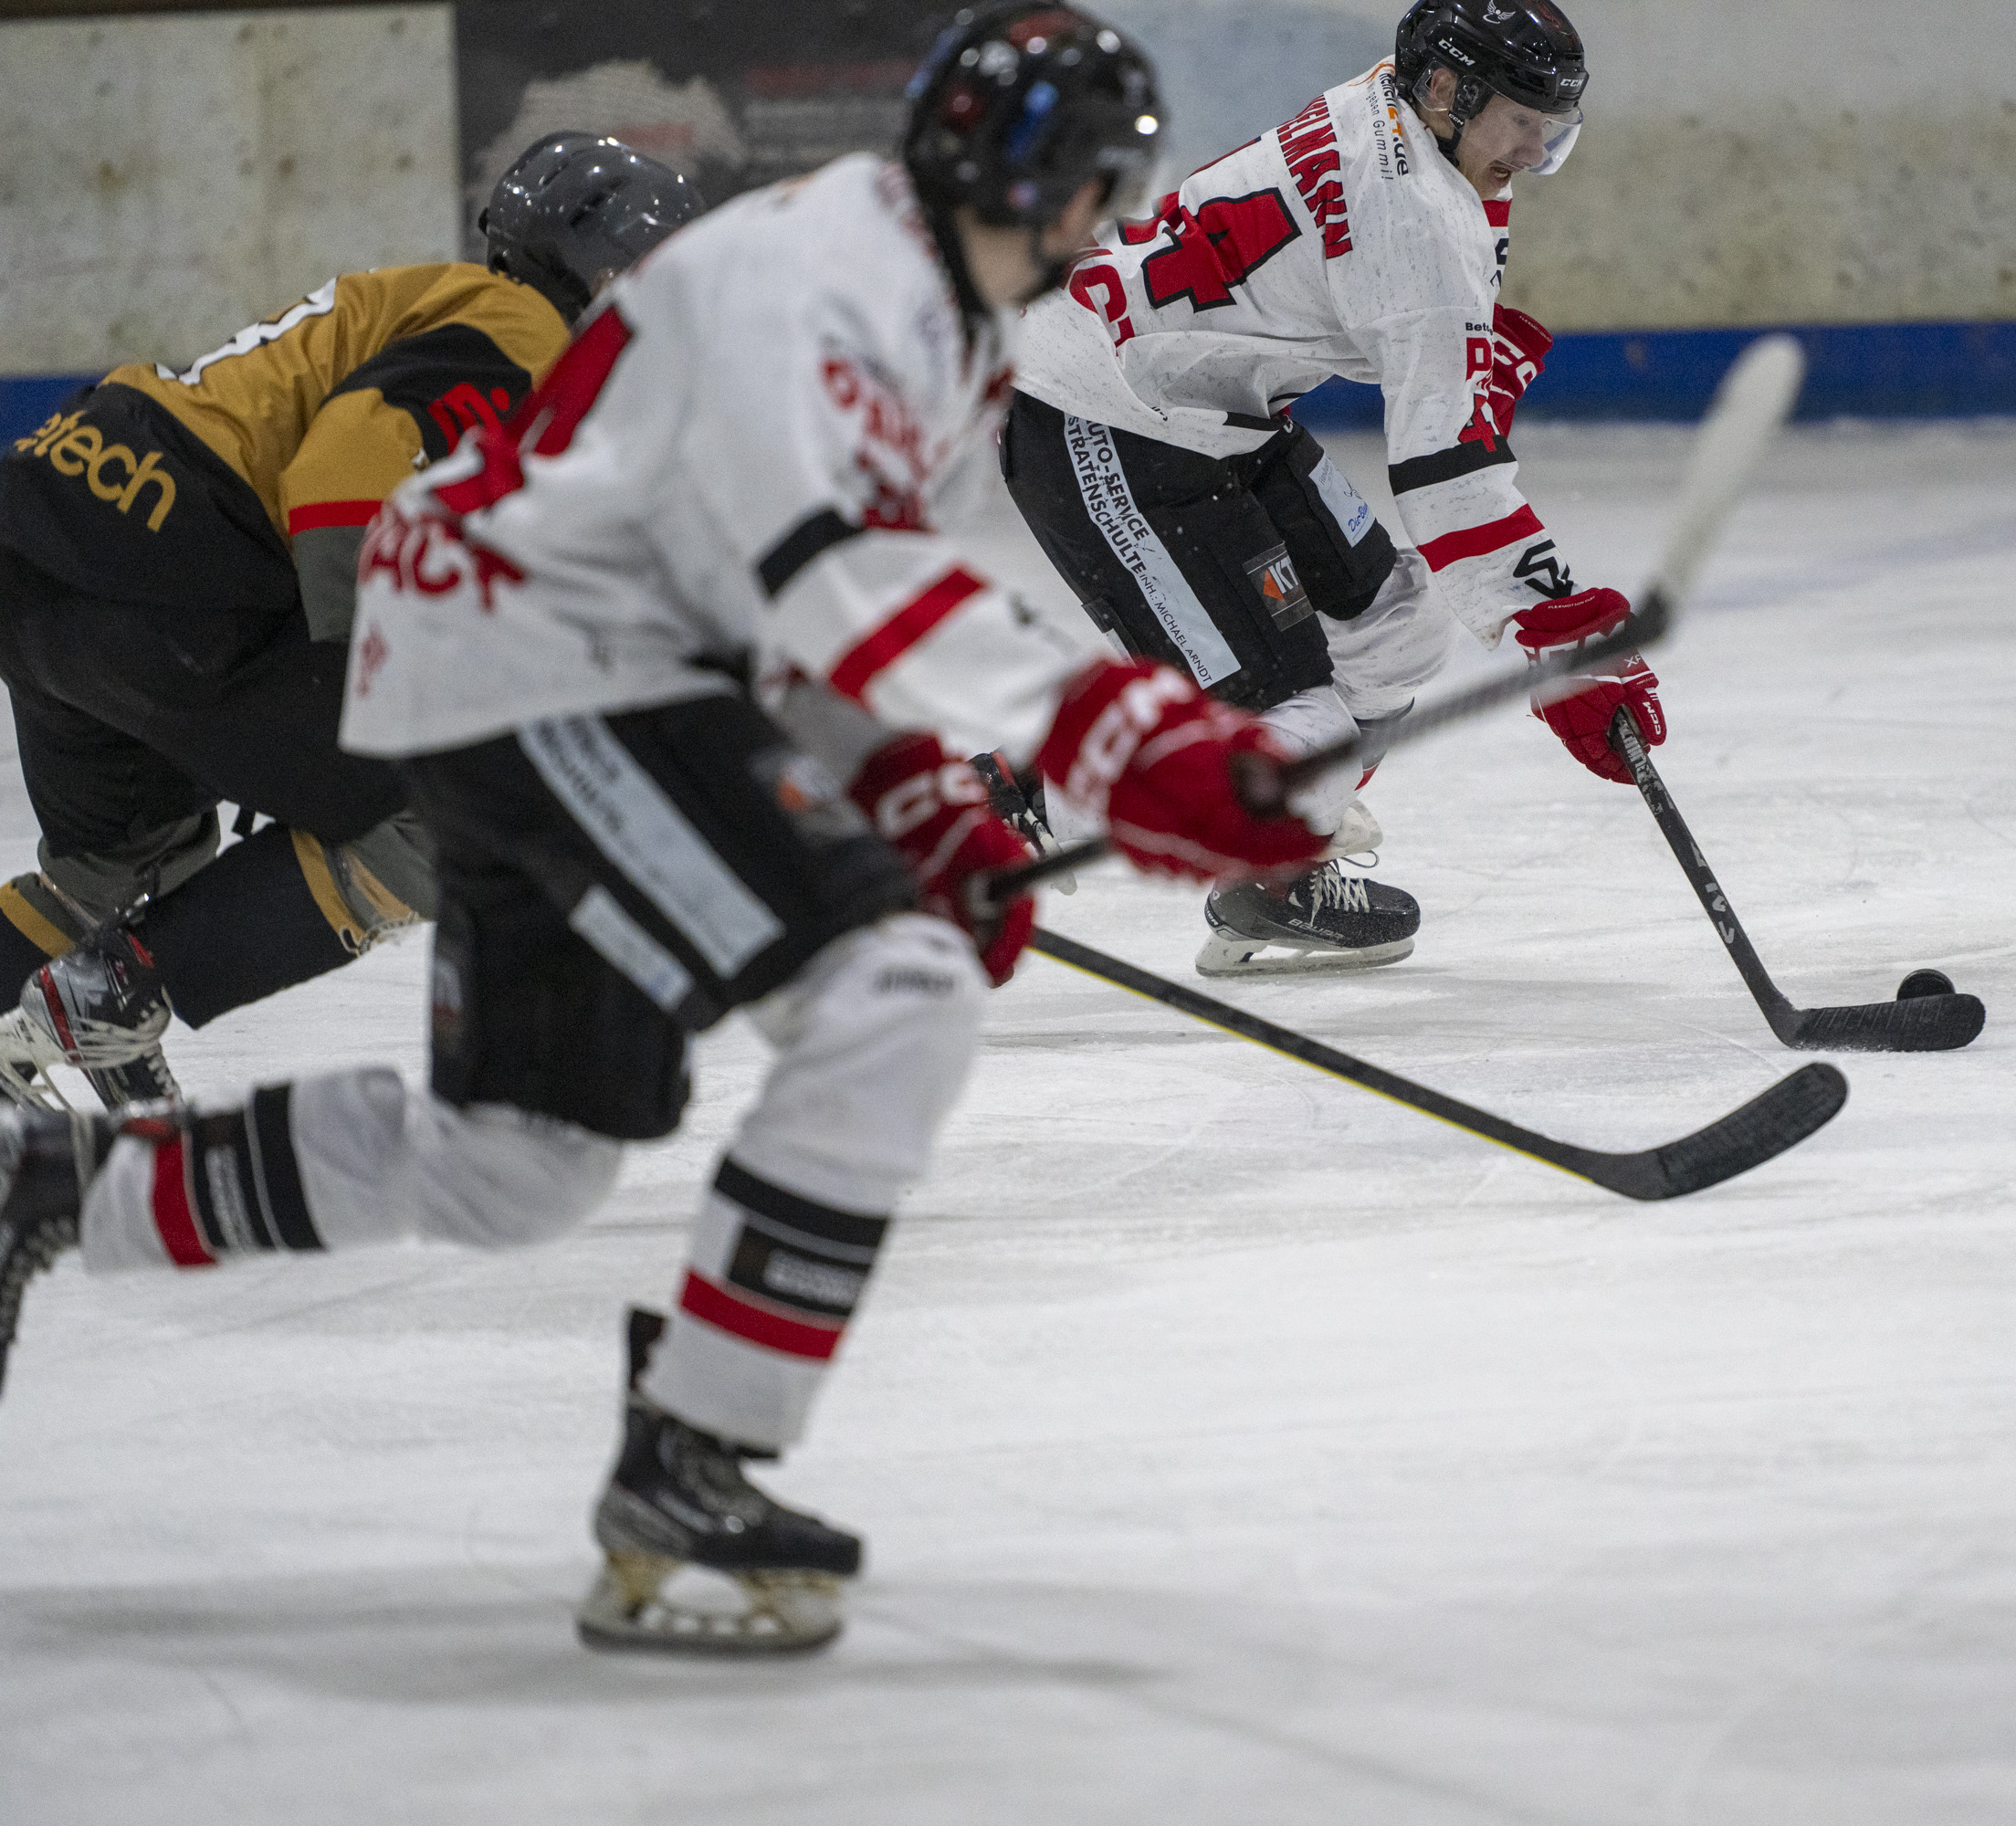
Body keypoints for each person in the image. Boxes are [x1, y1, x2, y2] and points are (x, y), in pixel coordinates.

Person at [0, 3, 1323, 1657]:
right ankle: (691, 1462)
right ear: (1058, 190)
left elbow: (784, 602)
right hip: (531, 659)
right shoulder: (841, 291)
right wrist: (1114, 732)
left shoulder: (914, 294)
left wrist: (919, 799)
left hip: (514, 652)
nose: (1109, 231)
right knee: (889, 1002)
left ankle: (52, 1189)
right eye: (1107, 194)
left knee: (519, 1168)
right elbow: (821, 574)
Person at [0, 133, 706, 1108]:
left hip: (48, 538)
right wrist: (366, 676)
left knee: (120, 863)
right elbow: (345, 471)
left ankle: (86, 993)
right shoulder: (528, 332)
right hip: (167, 561)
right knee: (445, 808)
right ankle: (109, 994)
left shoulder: (454, 305)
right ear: (579, 257)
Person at [999, 0, 1662, 977]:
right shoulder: (1421, 223)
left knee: (1396, 629)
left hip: (1207, 405)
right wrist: (1558, 638)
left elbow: (1355, 294)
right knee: (1298, 732)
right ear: (1446, 90)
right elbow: (1447, 486)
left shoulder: (1403, 117)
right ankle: (991, 812)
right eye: (1518, 121)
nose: (1529, 150)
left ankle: (1274, 877)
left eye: (1548, 130)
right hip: (1100, 414)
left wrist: (1461, 374)